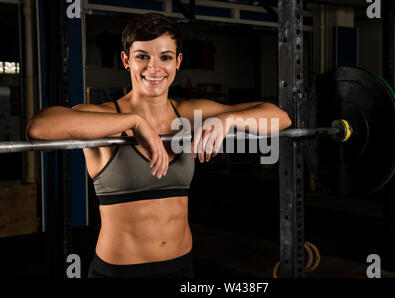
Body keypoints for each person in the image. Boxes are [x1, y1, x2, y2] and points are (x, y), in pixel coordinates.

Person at [26, 12, 292, 278]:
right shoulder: (105, 116)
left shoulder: (188, 113)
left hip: (181, 268)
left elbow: (280, 117)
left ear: (177, 62)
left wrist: (228, 119)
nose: (154, 68)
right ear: (126, 60)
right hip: (119, 273)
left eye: (165, 57)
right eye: (142, 56)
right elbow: (39, 130)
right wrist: (135, 122)